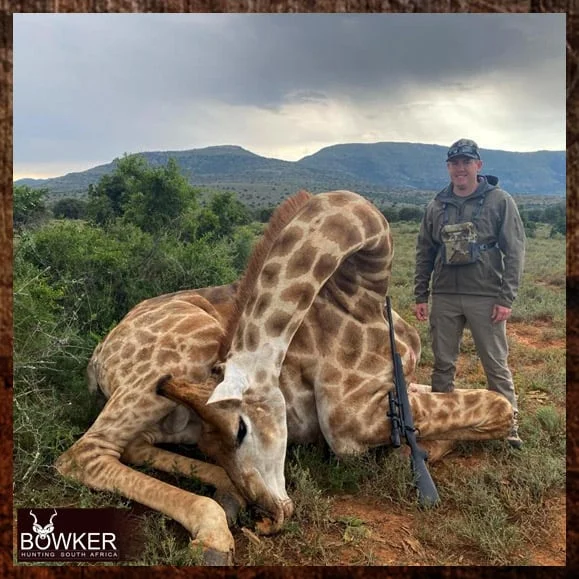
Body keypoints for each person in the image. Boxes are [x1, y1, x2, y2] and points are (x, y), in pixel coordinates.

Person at [413, 138, 526, 448]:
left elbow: (514, 251)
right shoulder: (436, 205)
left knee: (495, 363)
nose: (460, 168)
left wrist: (506, 298)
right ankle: (439, 425)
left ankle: (509, 423)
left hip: (486, 296)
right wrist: (421, 294)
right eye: (454, 162)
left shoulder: (499, 201)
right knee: (443, 363)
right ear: (449, 167)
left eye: (466, 162)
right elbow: (425, 251)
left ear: (479, 165)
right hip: (445, 295)